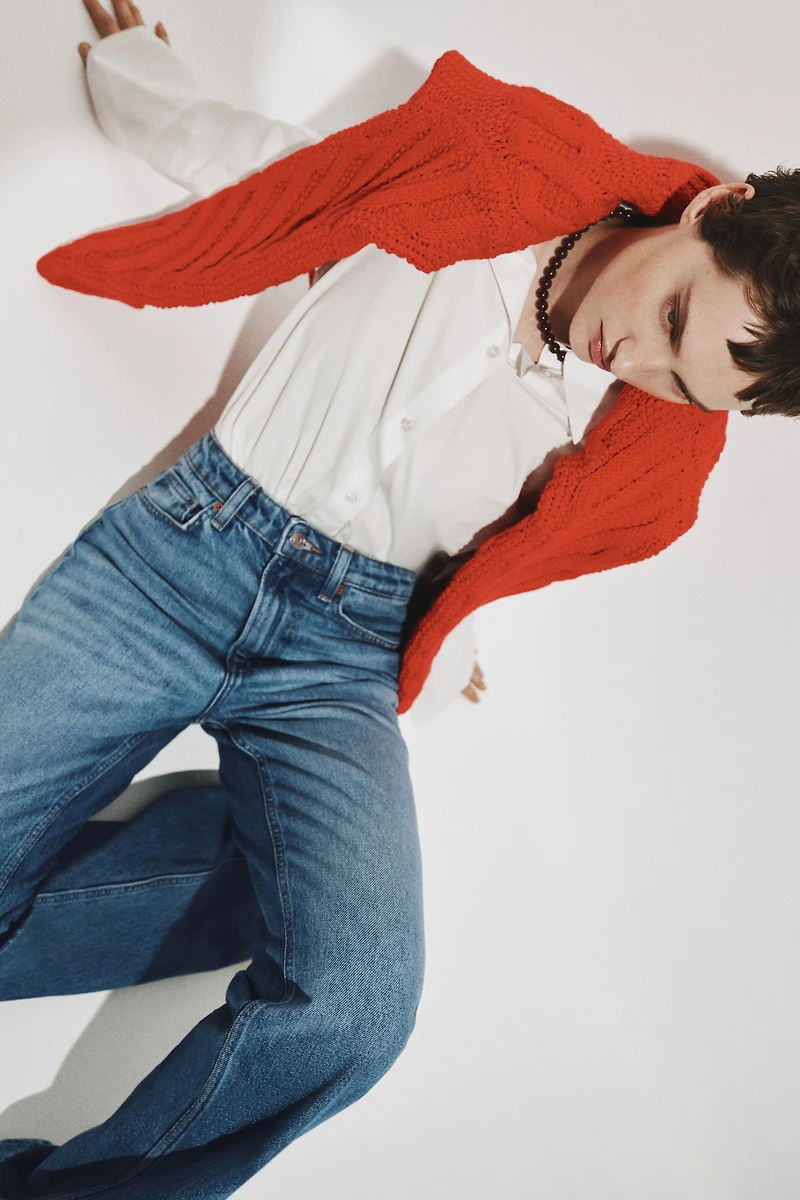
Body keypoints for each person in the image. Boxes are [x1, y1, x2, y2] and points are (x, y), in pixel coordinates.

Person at [1, 2, 798, 1197]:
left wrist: (444, 627)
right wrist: (135, 72)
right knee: (246, 890)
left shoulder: (639, 444)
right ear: (710, 209)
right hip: (171, 565)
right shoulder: (476, 172)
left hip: (341, 657)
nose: (631, 361)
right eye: (671, 316)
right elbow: (266, 169)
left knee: (358, 1007)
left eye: (680, 384)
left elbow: (511, 540)